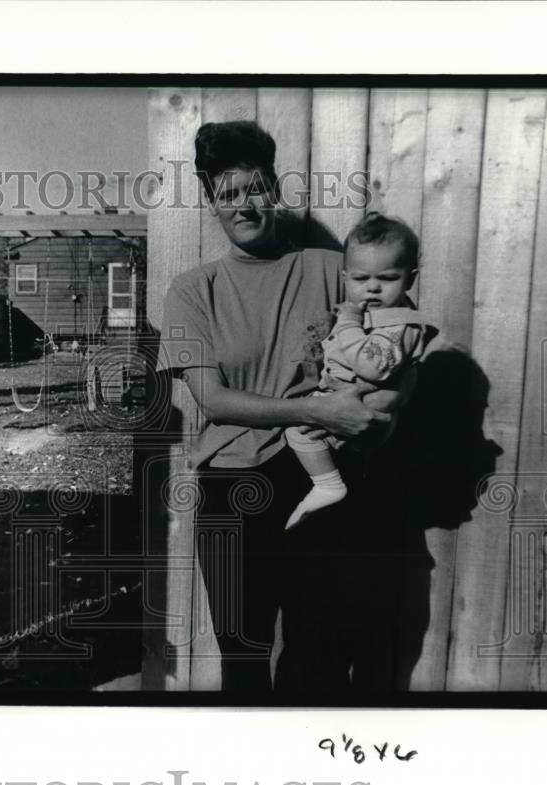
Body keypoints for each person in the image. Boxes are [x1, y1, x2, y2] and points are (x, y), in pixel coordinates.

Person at [156, 120, 390, 693]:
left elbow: (390, 350)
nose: (244, 205)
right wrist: (318, 412)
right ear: (212, 203)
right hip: (230, 489)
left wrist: (376, 413)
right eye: (228, 194)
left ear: (275, 189)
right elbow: (211, 399)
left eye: (254, 188)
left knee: (321, 649)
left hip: (316, 478)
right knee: (243, 650)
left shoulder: (330, 268)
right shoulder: (191, 291)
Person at [284, 213, 438, 528]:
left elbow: (372, 365)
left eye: (387, 278)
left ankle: (327, 485)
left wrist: (349, 322)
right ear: (344, 278)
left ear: (410, 278)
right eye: (360, 279)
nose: (372, 289)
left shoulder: (398, 323)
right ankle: (330, 484)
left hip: (363, 408)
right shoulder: (380, 318)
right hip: (348, 402)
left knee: (298, 431)